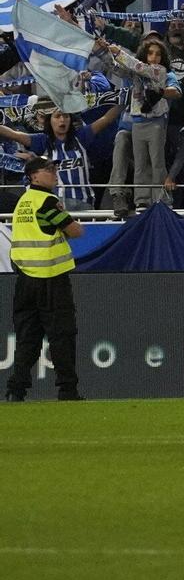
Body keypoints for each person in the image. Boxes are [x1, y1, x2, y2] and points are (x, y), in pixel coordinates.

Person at [5, 156, 86, 402]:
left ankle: (15, 390)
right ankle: (67, 390)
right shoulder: (48, 201)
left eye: (54, 169)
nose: (54, 173)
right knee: (62, 335)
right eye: (48, 169)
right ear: (33, 176)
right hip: (51, 278)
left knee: (27, 337)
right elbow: (76, 231)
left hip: (25, 280)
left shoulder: (23, 201)